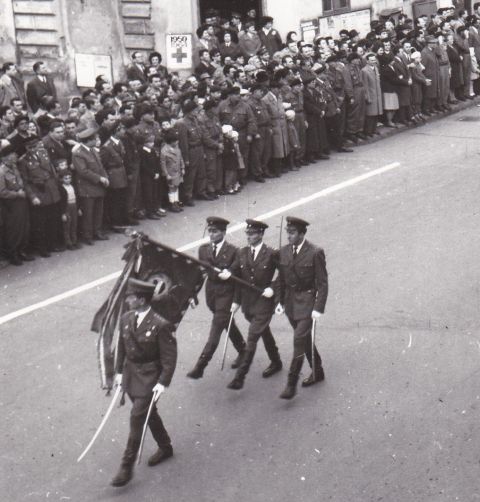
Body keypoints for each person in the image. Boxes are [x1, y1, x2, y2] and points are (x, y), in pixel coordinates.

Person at [111, 277, 177, 487]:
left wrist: (163, 382)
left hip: (150, 378)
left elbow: (169, 357)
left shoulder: (160, 324)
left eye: (130, 297)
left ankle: (126, 466)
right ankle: (165, 446)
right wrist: (118, 372)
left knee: (137, 416)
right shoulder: (126, 318)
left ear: (141, 299)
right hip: (131, 375)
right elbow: (122, 346)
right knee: (149, 413)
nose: (127, 300)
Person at [274, 216, 328, 400]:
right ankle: (317, 370)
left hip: (307, 303)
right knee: (304, 339)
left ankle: (291, 383)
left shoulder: (315, 252)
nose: (289, 236)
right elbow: (280, 279)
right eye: (287, 232)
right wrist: (279, 302)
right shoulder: (283, 251)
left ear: (302, 234)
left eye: (293, 233)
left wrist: (318, 308)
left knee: (298, 339)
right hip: (290, 303)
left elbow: (322, 283)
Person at [187, 216, 246, 379]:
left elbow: (238, 278)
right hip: (211, 294)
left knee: (216, 330)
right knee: (226, 322)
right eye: (210, 231)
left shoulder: (234, 251)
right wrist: (192, 294)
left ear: (223, 232)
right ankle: (243, 350)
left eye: (215, 231)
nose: (211, 234)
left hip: (226, 294)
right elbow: (200, 273)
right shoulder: (203, 250)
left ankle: (200, 366)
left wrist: (236, 301)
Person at [227, 219, 282, 390]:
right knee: (263, 331)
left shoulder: (271, 253)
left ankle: (240, 377)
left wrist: (272, 288)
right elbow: (236, 276)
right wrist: (236, 300)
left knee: (252, 337)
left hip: (264, 302)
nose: (249, 237)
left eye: (252, 234)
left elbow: (284, 275)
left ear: (261, 234)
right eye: (247, 233)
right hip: (248, 304)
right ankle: (276, 361)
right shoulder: (242, 252)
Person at [18, 135, 62, 256]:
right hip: (39, 191)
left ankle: (52, 244)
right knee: (40, 223)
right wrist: (33, 197)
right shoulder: (23, 161)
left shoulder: (44, 153)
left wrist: (56, 186)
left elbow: (52, 171)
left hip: (51, 190)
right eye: (30, 147)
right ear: (26, 147)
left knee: (53, 219)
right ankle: (42, 248)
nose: (33, 149)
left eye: (35, 146)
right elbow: (25, 182)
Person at [72, 128, 109, 245]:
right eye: (95, 139)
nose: (97, 141)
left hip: (98, 186)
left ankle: (97, 231)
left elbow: (100, 166)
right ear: (88, 141)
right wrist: (100, 178)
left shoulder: (93, 150)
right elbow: (83, 171)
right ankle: (87, 235)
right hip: (87, 187)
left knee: (98, 211)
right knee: (88, 213)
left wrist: (105, 177)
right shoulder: (78, 154)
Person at [0, 146, 33, 265]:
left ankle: (21, 251)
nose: (16, 156)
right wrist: (17, 194)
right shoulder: (2, 172)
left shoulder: (14, 167)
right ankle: (13, 254)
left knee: (24, 227)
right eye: (13, 154)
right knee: (14, 230)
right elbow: (2, 192)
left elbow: (20, 182)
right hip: (11, 205)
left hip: (21, 201)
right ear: (6, 157)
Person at [160, 128, 184, 213]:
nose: (177, 142)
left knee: (176, 187)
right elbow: (163, 164)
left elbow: (181, 158)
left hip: (178, 171)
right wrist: (166, 174)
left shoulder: (177, 148)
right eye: (175, 141)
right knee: (171, 188)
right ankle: (172, 204)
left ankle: (176, 202)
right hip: (171, 173)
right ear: (171, 142)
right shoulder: (164, 151)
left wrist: (183, 168)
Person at [58, 169, 81, 250]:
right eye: (66, 178)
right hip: (67, 207)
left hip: (74, 206)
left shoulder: (73, 186)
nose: (68, 180)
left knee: (74, 224)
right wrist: (63, 213)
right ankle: (68, 243)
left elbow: (77, 198)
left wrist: (78, 208)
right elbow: (61, 202)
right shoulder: (61, 188)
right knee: (67, 225)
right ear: (61, 179)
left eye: (69, 178)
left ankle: (74, 241)